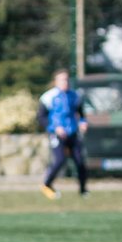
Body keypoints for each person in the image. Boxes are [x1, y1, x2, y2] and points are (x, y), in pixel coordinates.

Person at [37, 68, 88, 199]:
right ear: (56, 82)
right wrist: (55, 128)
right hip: (57, 134)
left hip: (73, 133)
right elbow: (41, 117)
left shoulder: (74, 95)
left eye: (67, 79)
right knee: (60, 160)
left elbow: (81, 113)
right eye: (62, 79)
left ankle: (83, 190)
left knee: (80, 161)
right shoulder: (48, 97)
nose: (65, 82)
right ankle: (47, 184)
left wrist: (83, 122)